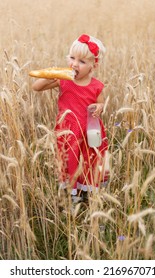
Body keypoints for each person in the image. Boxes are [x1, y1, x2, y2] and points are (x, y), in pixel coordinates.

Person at [32, 34, 109, 202]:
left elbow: (100, 103)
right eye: (72, 58)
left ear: (93, 66)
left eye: (82, 62)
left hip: (90, 131)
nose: (74, 64)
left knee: (90, 161)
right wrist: (52, 75)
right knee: (69, 162)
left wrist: (100, 108)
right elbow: (36, 87)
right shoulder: (64, 81)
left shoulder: (96, 86)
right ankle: (70, 195)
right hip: (68, 130)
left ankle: (87, 193)